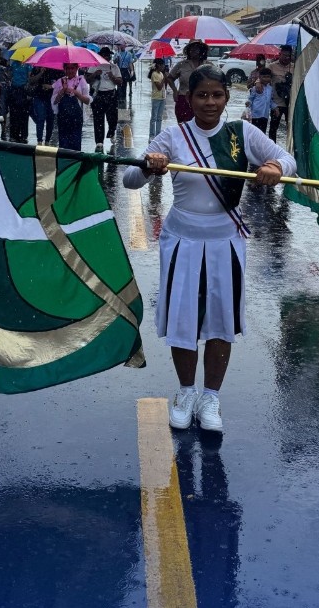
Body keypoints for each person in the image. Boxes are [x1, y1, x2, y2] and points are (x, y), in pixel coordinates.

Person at [123, 64, 296, 434]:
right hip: (182, 241)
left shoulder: (242, 133)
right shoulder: (173, 136)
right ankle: (186, 392)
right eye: (202, 95)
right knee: (182, 319)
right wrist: (150, 167)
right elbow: (130, 179)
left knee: (220, 320)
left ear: (227, 97)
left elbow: (288, 160)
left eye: (217, 95)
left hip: (225, 242)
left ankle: (211, 397)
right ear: (189, 98)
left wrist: (275, 167)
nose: (210, 102)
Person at [87, 46, 122, 148]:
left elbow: (120, 82)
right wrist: (95, 74)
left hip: (111, 95)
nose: (106, 57)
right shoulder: (94, 66)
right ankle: (99, 141)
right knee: (98, 119)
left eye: (108, 55)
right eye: (104, 55)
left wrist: (112, 76)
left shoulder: (114, 67)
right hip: (98, 95)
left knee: (113, 118)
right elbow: (87, 80)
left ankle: (112, 132)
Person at [51, 62, 90, 150]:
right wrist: (62, 91)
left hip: (76, 117)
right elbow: (54, 102)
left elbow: (87, 101)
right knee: (63, 143)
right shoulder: (60, 81)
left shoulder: (81, 81)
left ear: (76, 69)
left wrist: (76, 93)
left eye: (72, 68)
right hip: (63, 117)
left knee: (75, 143)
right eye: (67, 68)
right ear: (64, 69)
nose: (70, 70)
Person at [166, 40, 209, 122]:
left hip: (203, 100)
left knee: (202, 125)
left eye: (196, 48)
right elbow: (170, 78)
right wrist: (175, 91)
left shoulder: (208, 65)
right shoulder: (181, 65)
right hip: (183, 100)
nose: (193, 51)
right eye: (191, 49)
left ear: (201, 50)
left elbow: (216, 80)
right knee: (184, 126)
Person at [268, 46, 293, 141]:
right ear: (280, 54)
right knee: (273, 128)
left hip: (290, 103)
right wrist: (258, 83)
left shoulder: (295, 67)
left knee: (291, 128)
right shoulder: (272, 66)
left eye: (288, 56)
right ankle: (271, 146)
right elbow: (263, 77)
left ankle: (290, 147)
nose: (286, 57)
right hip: (276, 103)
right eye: (284, 55)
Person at [27, 66, 56, 144]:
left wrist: (51, 86)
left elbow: (60, 82)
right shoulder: (36, 68)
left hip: (52, 98)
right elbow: (31, 81)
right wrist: (41, 72)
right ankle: (39, 140)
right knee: (40, 118)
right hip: (39, 97)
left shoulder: (55, 68)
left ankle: (47, 140)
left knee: (50, 119)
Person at [7, 58, 31, 143]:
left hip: (23, 90)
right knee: (14, 114)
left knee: (24, 114)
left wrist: (28, 89)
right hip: (14, 89)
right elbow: (9, 76)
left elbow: (29, 77)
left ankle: (23, 135)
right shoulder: (13, 64)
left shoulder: (28, 64)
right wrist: (8, 69)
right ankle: (14, 134)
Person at [245, 67, 275, 134]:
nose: (266, 79)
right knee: (254, 132)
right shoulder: (255, 88)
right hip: (255, 115)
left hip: (265, 115)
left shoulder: (270, 89)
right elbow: (251, 98)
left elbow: (270, 101)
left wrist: (275, 107)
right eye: (264, 77)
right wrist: (248, 103)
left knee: (262, 133)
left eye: (268, 77)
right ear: (260, 77)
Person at [148, 58, 168, 138]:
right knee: (154, 118)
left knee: (159, 118)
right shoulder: (154, 74)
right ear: (158, 65)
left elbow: (163, 86)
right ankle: (152, 135)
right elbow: (159, 87)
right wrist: (164, 79)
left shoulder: (161, 74)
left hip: (162, 97)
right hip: (156, 98)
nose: (163, 67)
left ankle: (158, 134)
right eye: (162, 65)